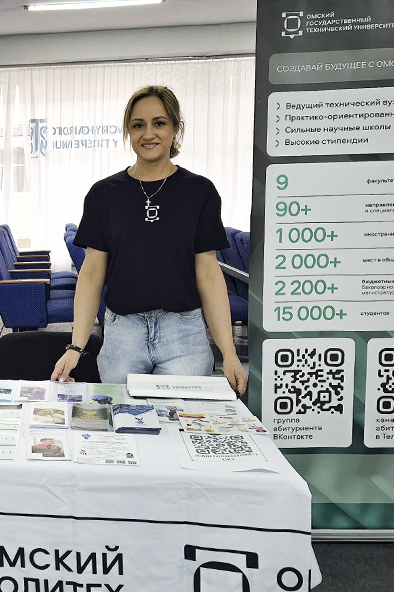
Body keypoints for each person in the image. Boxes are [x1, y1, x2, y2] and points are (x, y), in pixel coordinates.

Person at [51, 85, 247, 395]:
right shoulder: (104, 194)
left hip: (184, 334)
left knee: (182, 419)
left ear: (175, 128)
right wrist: (76, 347)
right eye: (138, 125)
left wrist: (229, 352)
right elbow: (91, 273)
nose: (148, 134)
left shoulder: (200, 192)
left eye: (159, 123)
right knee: (123, 420)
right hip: (122, 334)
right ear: (128, 131)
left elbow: (208, 274)